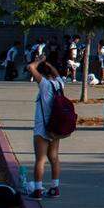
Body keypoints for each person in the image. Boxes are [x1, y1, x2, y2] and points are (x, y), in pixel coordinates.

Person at [27, 57, 64, 200]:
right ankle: (54, 188)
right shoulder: (59, 84)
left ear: (42, 74)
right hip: (55, 128)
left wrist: (38, 61)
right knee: (54, 158)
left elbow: (31, 67)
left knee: (40, 160)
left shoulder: (45, 85)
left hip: (42, 128)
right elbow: (58, 74)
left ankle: (37, 190)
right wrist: (48, 63)